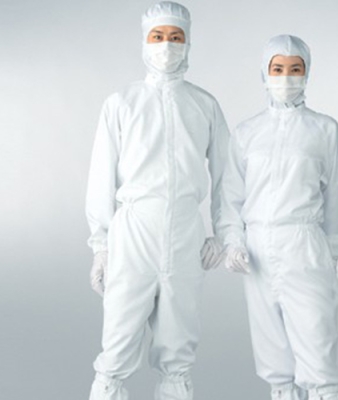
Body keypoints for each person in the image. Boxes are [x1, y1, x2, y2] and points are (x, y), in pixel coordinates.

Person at [85, 2, 229, 399]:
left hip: (185, 233)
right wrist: (101, 245)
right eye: (158, 36)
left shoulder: (204, 105)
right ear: (145, 42)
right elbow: (101, 176)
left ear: (188, 42)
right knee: (118, 341)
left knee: (178, 346)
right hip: (133, 233)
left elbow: (227, 176)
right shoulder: (122, 103)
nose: (167, 45)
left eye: (176, 37)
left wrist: (224, 234)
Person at [220, 34, 338, 400]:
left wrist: (332, 248)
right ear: (264, 73)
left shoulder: (324, 129)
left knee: (316, 337)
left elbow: (337, 192)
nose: (286, 77)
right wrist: (233, 241)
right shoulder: (247, 132)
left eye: (295, 69)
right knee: (272, 347)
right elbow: (231, 195)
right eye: (278, 69)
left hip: (303, 243)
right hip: (258, 249)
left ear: (307, 73)